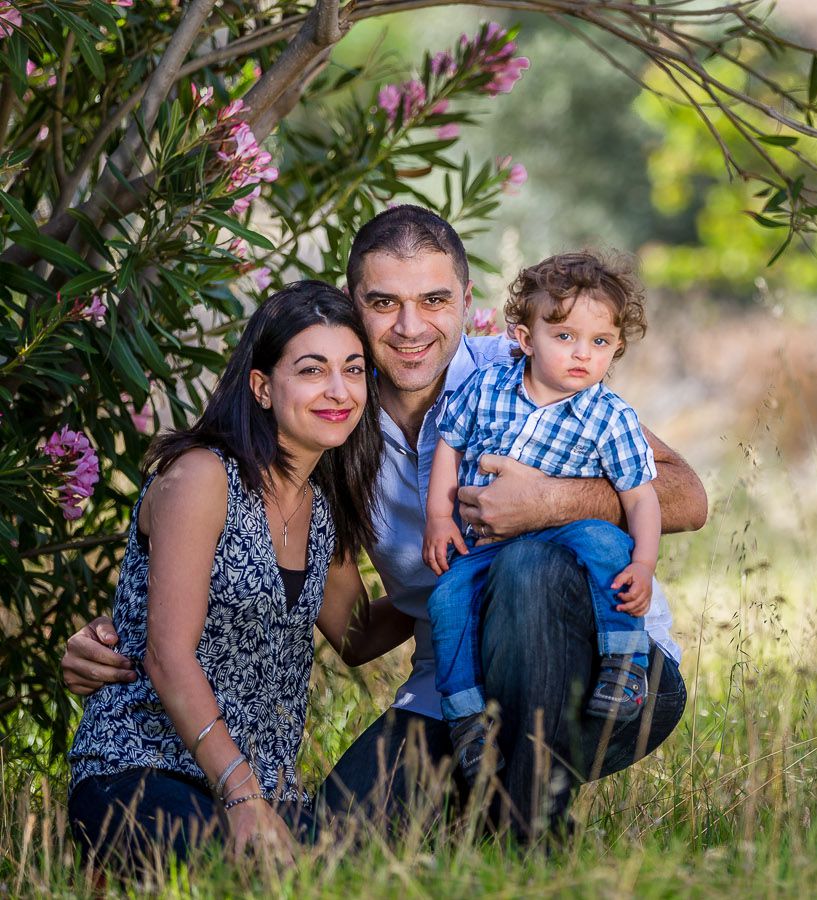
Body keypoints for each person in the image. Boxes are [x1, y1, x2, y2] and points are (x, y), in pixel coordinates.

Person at [63, 205, 708, 843]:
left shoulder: (526, 376)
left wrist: (551, 504)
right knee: (331, 844)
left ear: (465, 300)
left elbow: (687, 493)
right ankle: (497, 812)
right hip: (455, 695)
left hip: (607, 668)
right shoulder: (335, 415)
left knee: (527, 563)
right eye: (382, 303)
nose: (409, 327)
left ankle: (530, 834)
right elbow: (336, 615)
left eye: (433, 300)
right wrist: (129, 634)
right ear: (353, 304)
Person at [65, 281, 384, 871]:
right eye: (313, 370)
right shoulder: (202, 477)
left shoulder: (320, 506)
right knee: (239, 873)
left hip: (266, 790)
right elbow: (166, 656)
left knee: (344, 873)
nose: (339, 391)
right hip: (142, 768)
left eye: (354, 369)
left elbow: (359, 635)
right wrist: (240, 793)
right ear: (262, 387)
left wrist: (455, 577)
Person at [423, 252, 662, 780]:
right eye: (565, 337)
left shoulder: (611, 416)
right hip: (487, 549)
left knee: (607, 542)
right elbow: (449, 443)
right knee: (446, 599)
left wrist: (644, 561)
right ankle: (466, 719)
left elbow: (642, 496)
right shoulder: (487, 389)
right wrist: (439, 519)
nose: (583, 355)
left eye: (599, 343)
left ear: (617, 347)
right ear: (526, 340)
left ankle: (624, 664)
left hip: (565, 550)